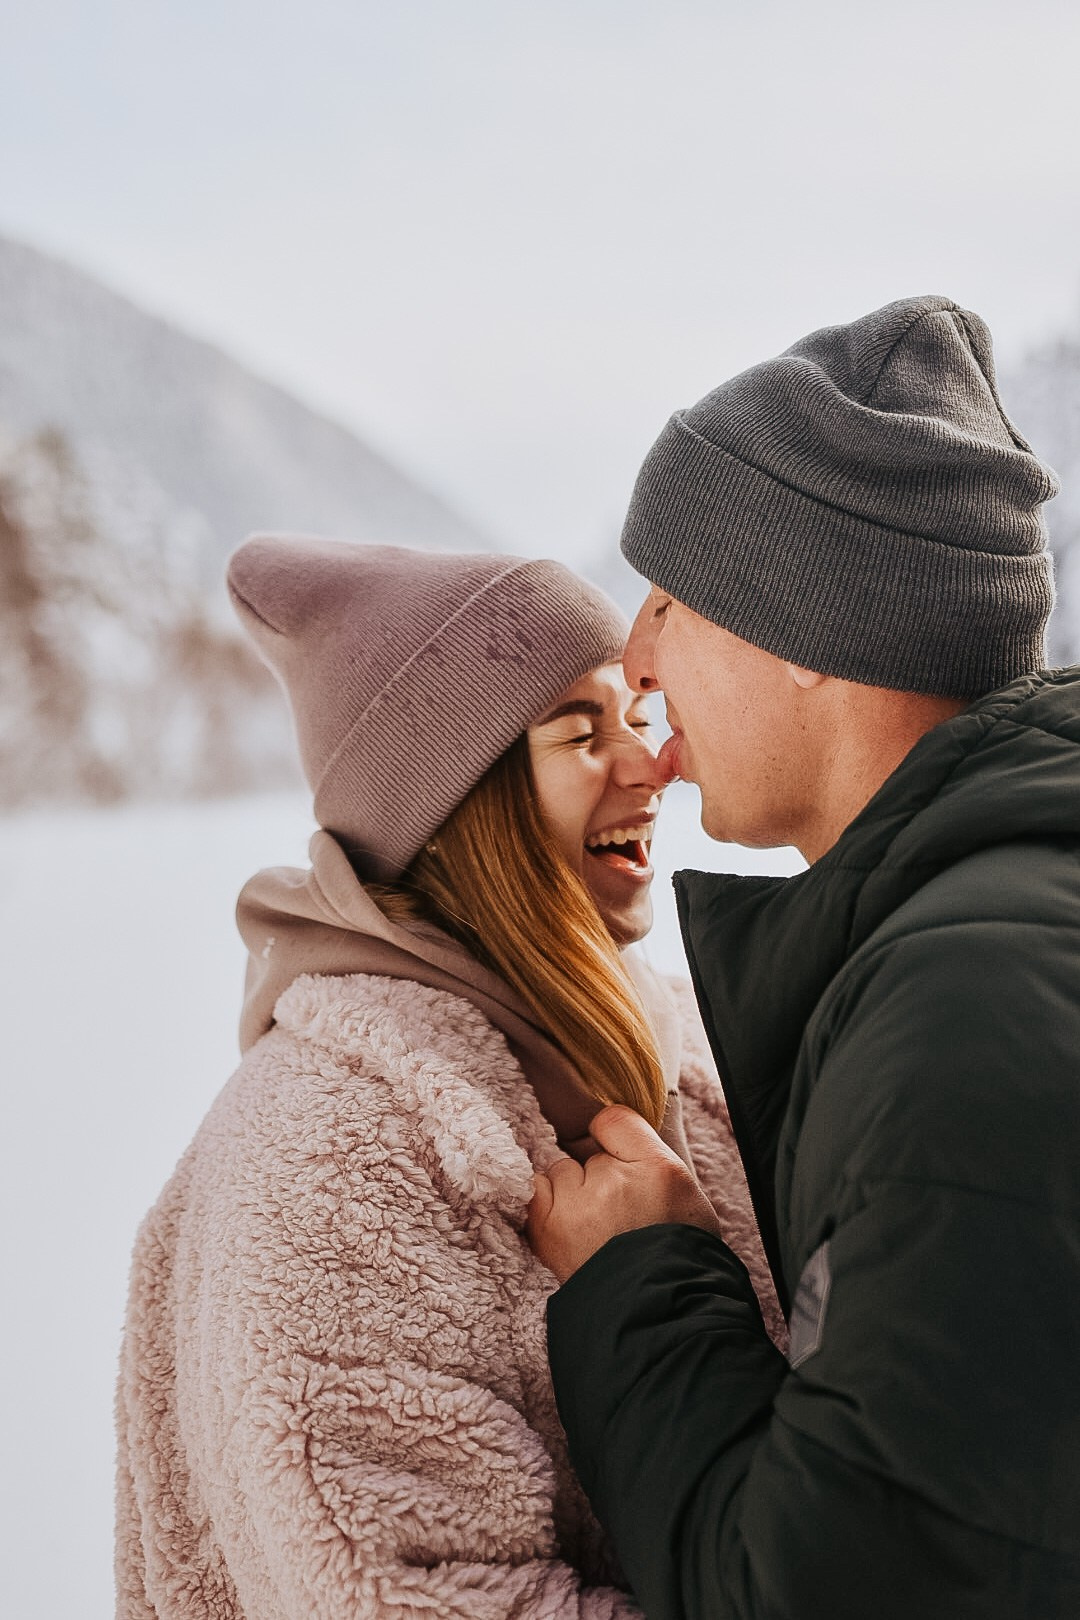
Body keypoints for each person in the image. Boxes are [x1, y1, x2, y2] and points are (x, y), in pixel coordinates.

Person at [527, 295, 1080, 1619]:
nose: (639, 658)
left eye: (671, 600)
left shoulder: (961, 1024)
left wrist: (644, 1287)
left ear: (815, 635)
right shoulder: (1002, 930)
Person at [114, 534, 784, 1619]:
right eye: (580, 732)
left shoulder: (682, 1045)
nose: (651, 767)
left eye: (638, 719)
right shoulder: (326, 1152)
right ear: (456, 802)